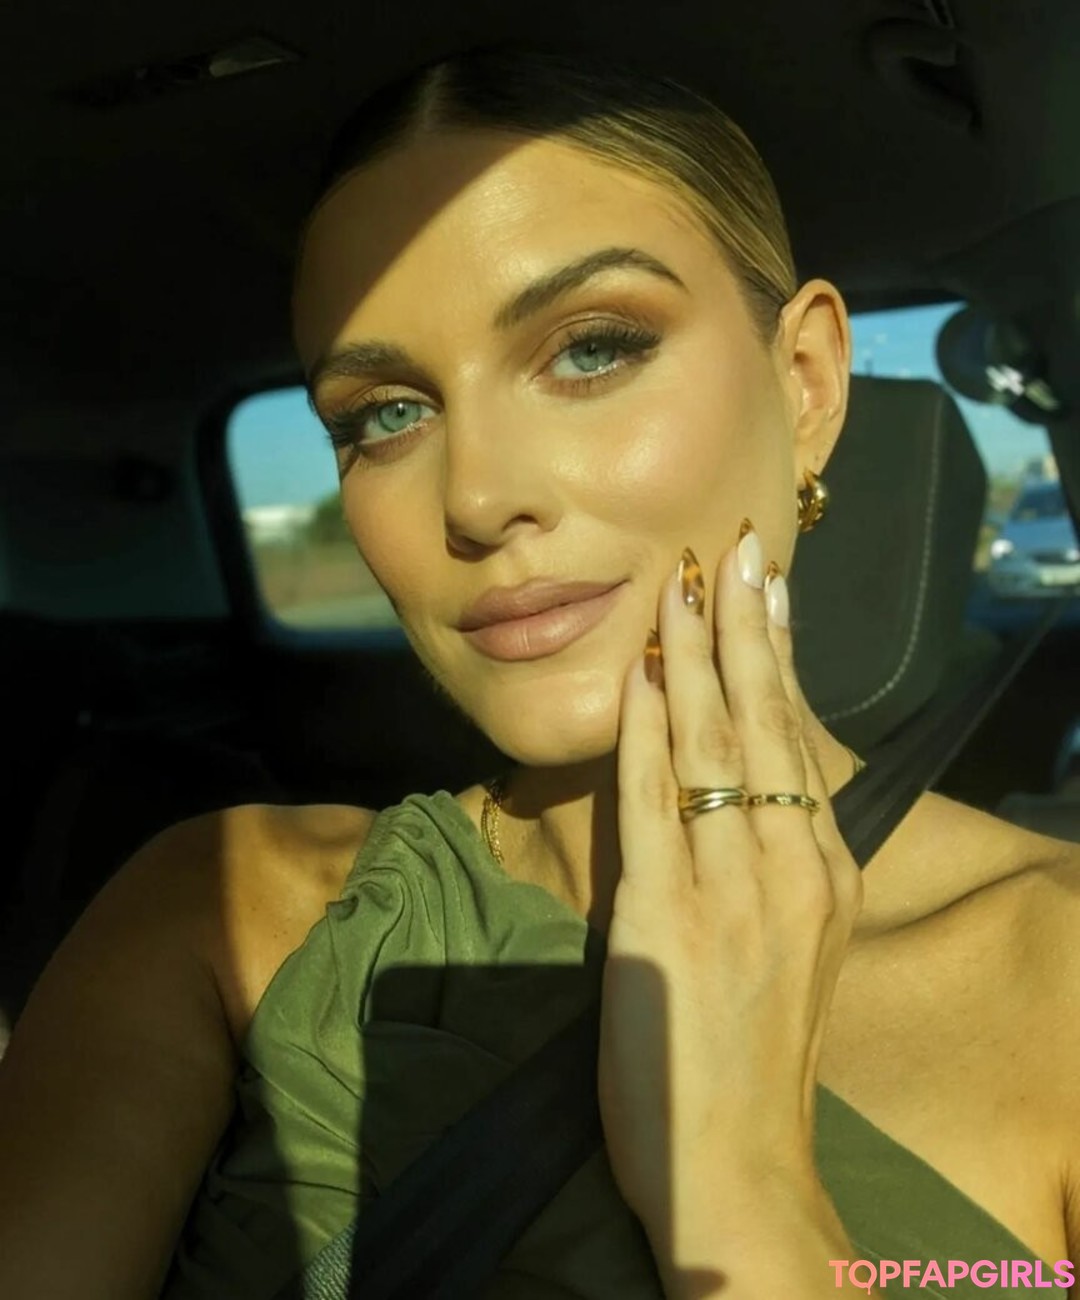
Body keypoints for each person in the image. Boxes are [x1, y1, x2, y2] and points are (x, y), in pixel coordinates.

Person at [1, 39, 1078, 1300]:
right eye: (386, 414)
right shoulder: (219, 911)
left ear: (806, 383)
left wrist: (740, 1182)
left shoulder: (1055, 966)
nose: (476, 495)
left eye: (593, 349)